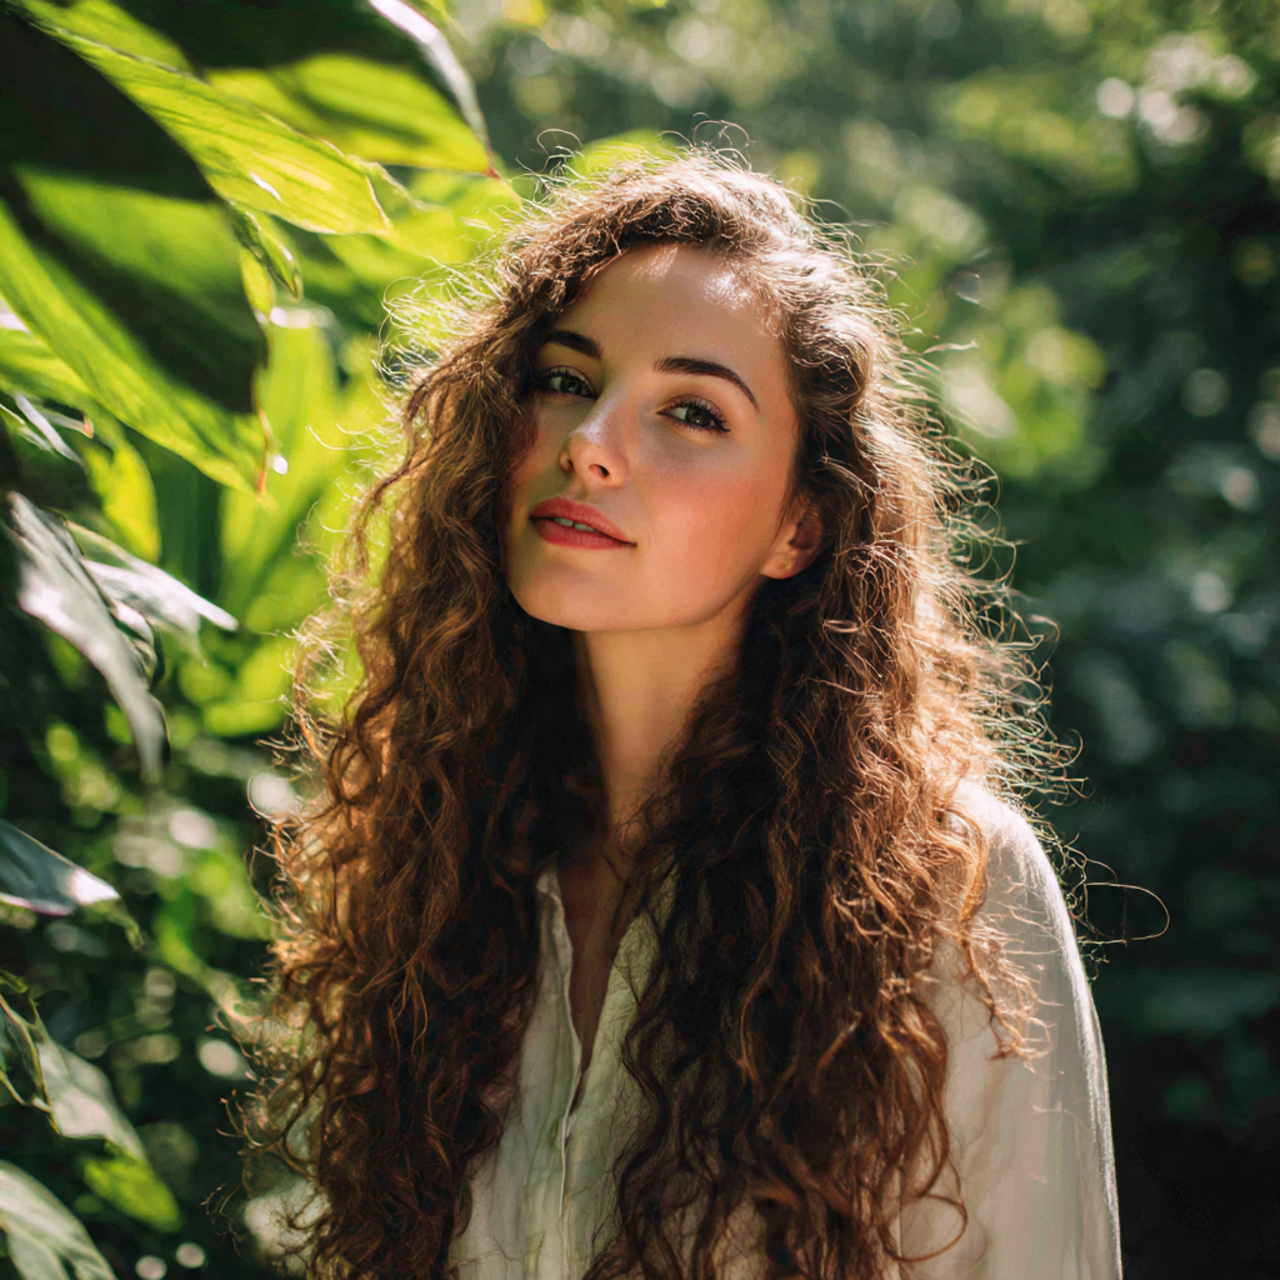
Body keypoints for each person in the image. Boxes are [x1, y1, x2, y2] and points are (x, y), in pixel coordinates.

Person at [245, 151, 1122, 1280]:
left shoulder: (948, 890)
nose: (588, 441)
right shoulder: (446, 852)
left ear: (797, 527)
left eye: (692, 411)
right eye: (566, 378)